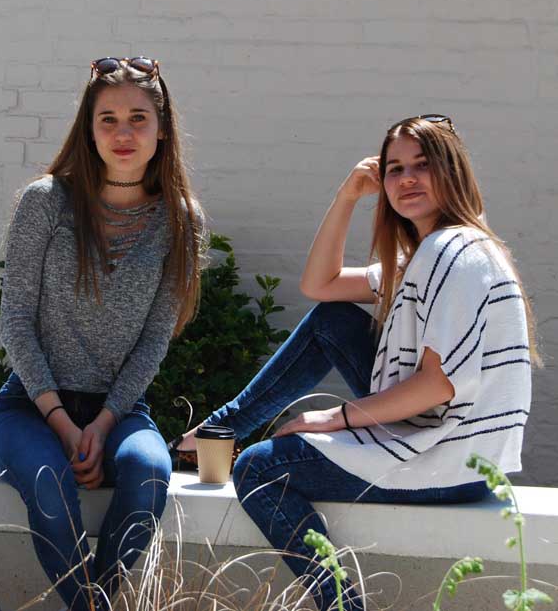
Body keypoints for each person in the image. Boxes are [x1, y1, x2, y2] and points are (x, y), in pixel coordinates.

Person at [172, 115, 537, 610]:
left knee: (259, 469)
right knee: (333, 320)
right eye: (394, 169)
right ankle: (228, 426)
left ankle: (343, 605)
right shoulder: (424, 257)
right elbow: (319, 286)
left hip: (446, 458)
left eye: (422, 166)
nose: (406, 179)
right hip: (452, 445)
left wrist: (334, 417)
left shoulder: (452, 253)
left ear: (452, 171)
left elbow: (437, 385)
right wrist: (347, 195)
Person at [0, 57, 204, 610]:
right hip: (31, 408)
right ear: (89, 128)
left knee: (151, 473)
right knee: (50, 484)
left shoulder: (180, 219)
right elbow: (15, 321)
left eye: (138, 118)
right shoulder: (46, 202)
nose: (123, 133)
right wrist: (60, 421)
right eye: (108, 119)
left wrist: (105, 423)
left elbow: (157, 336)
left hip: (121, 410)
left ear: (162, 130)